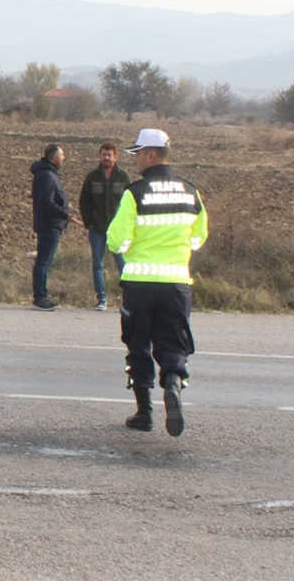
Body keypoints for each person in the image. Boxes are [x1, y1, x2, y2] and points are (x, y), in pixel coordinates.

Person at [107, 129, 208, 437]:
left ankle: (144, 414)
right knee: (174, 342)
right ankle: (174, 385)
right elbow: (198, 237)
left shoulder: (134, 193)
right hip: (176, 283)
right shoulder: (190, 192)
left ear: (151, 155)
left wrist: (130, 247)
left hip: (139, 284)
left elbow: (115, 239)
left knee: (138, 344)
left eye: (138, 153)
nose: (135, 159)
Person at [78, 142, 130, 311]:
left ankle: (129, 299)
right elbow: (84, 201)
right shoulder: (92, 177)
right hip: (97, 228)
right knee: (98, 264)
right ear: (100, 156)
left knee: (122, 264)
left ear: (115, 157)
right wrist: (88, 222)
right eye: (103, 155)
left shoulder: (123, 177)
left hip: (117, 229)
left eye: (109, 155)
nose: (106, 158)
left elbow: (129, 202)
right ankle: (101, 299)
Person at [30, 144, 81, 310]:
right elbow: (47, 202)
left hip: (50, 224)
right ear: (54, 158)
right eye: (62, 155)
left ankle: (41, 295)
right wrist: (65, 214)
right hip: (49, 225)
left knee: (43, 261)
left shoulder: (48, 174)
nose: (64, 158)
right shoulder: (46, 176)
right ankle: (40, 297)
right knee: (43, 262)